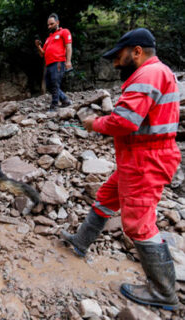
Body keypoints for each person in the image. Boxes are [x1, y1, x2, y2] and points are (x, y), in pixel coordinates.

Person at [60, 28, 181, 310]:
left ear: (136, 51)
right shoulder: (156, 73)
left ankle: (164, 293)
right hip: (139, 157)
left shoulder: (148, 74)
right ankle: (81, 241)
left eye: (119, 56)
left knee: (138, 224)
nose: (115, 62)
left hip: (146, 160)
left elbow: (125, 121)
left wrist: (95, 123)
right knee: (106, 196)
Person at [35, 13, 73, 111]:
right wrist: (38, 46)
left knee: (55, 83)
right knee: (49, 85)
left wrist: (68, 61)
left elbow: (69, 47)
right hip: (49, 64)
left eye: (51, 24)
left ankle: (54, 105)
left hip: (59, 61)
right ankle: (65, 100)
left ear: (57, 22)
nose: (49, 26)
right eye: (48, 25)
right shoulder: (48, 38)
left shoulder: (64, 32)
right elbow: (42, 54)